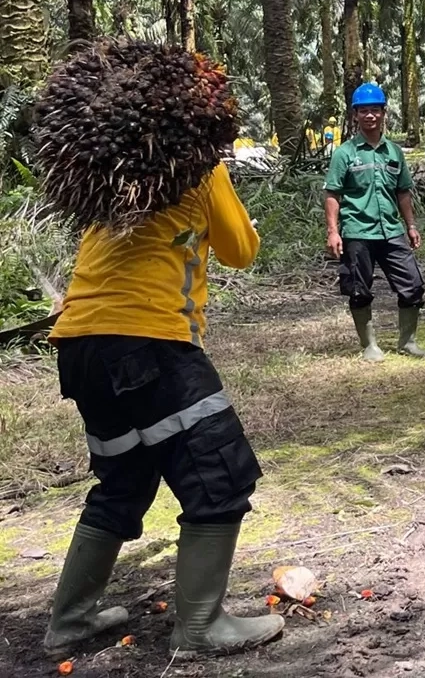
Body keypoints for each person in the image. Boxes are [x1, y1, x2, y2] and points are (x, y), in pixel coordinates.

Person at [43, 163, 285, 659]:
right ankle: (200, 627)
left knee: (124, 481)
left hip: (79, 342)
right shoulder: (197, 163)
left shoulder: (110, 168)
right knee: (220, 478)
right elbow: (241, 251)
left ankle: (70, 620)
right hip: (149, 340)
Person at [324, 83, 425, 361]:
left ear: (384, 113)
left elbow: (403, 192)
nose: (370, 115)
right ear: (355, 116)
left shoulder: (394, 152)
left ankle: (407, 342)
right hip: (358, 230)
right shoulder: (344, 154)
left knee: (413, 283)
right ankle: (369, 346)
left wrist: (411, 226)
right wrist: (333, 232)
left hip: (391, 231)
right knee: (358, 289)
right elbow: (332, 194)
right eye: (363, 110)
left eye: (375, 110)